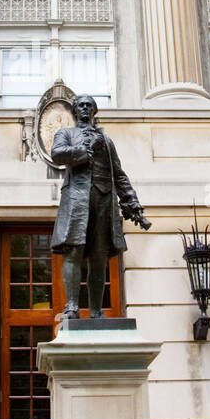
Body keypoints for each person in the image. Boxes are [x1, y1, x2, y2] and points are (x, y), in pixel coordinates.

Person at [50, 93, 150, 318]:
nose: (85, 108)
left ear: (94, 111)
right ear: (75, 111)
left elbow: (119, 174)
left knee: (99, 256)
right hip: (77, 199)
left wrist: (132, 202)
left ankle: (96, 311)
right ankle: (72, 307)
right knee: (73, 251)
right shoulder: (66, 133)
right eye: (81, 105)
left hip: (104, 199)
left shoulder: (106, 140)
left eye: (89, 105)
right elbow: (57, 154)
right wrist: (86, 151)